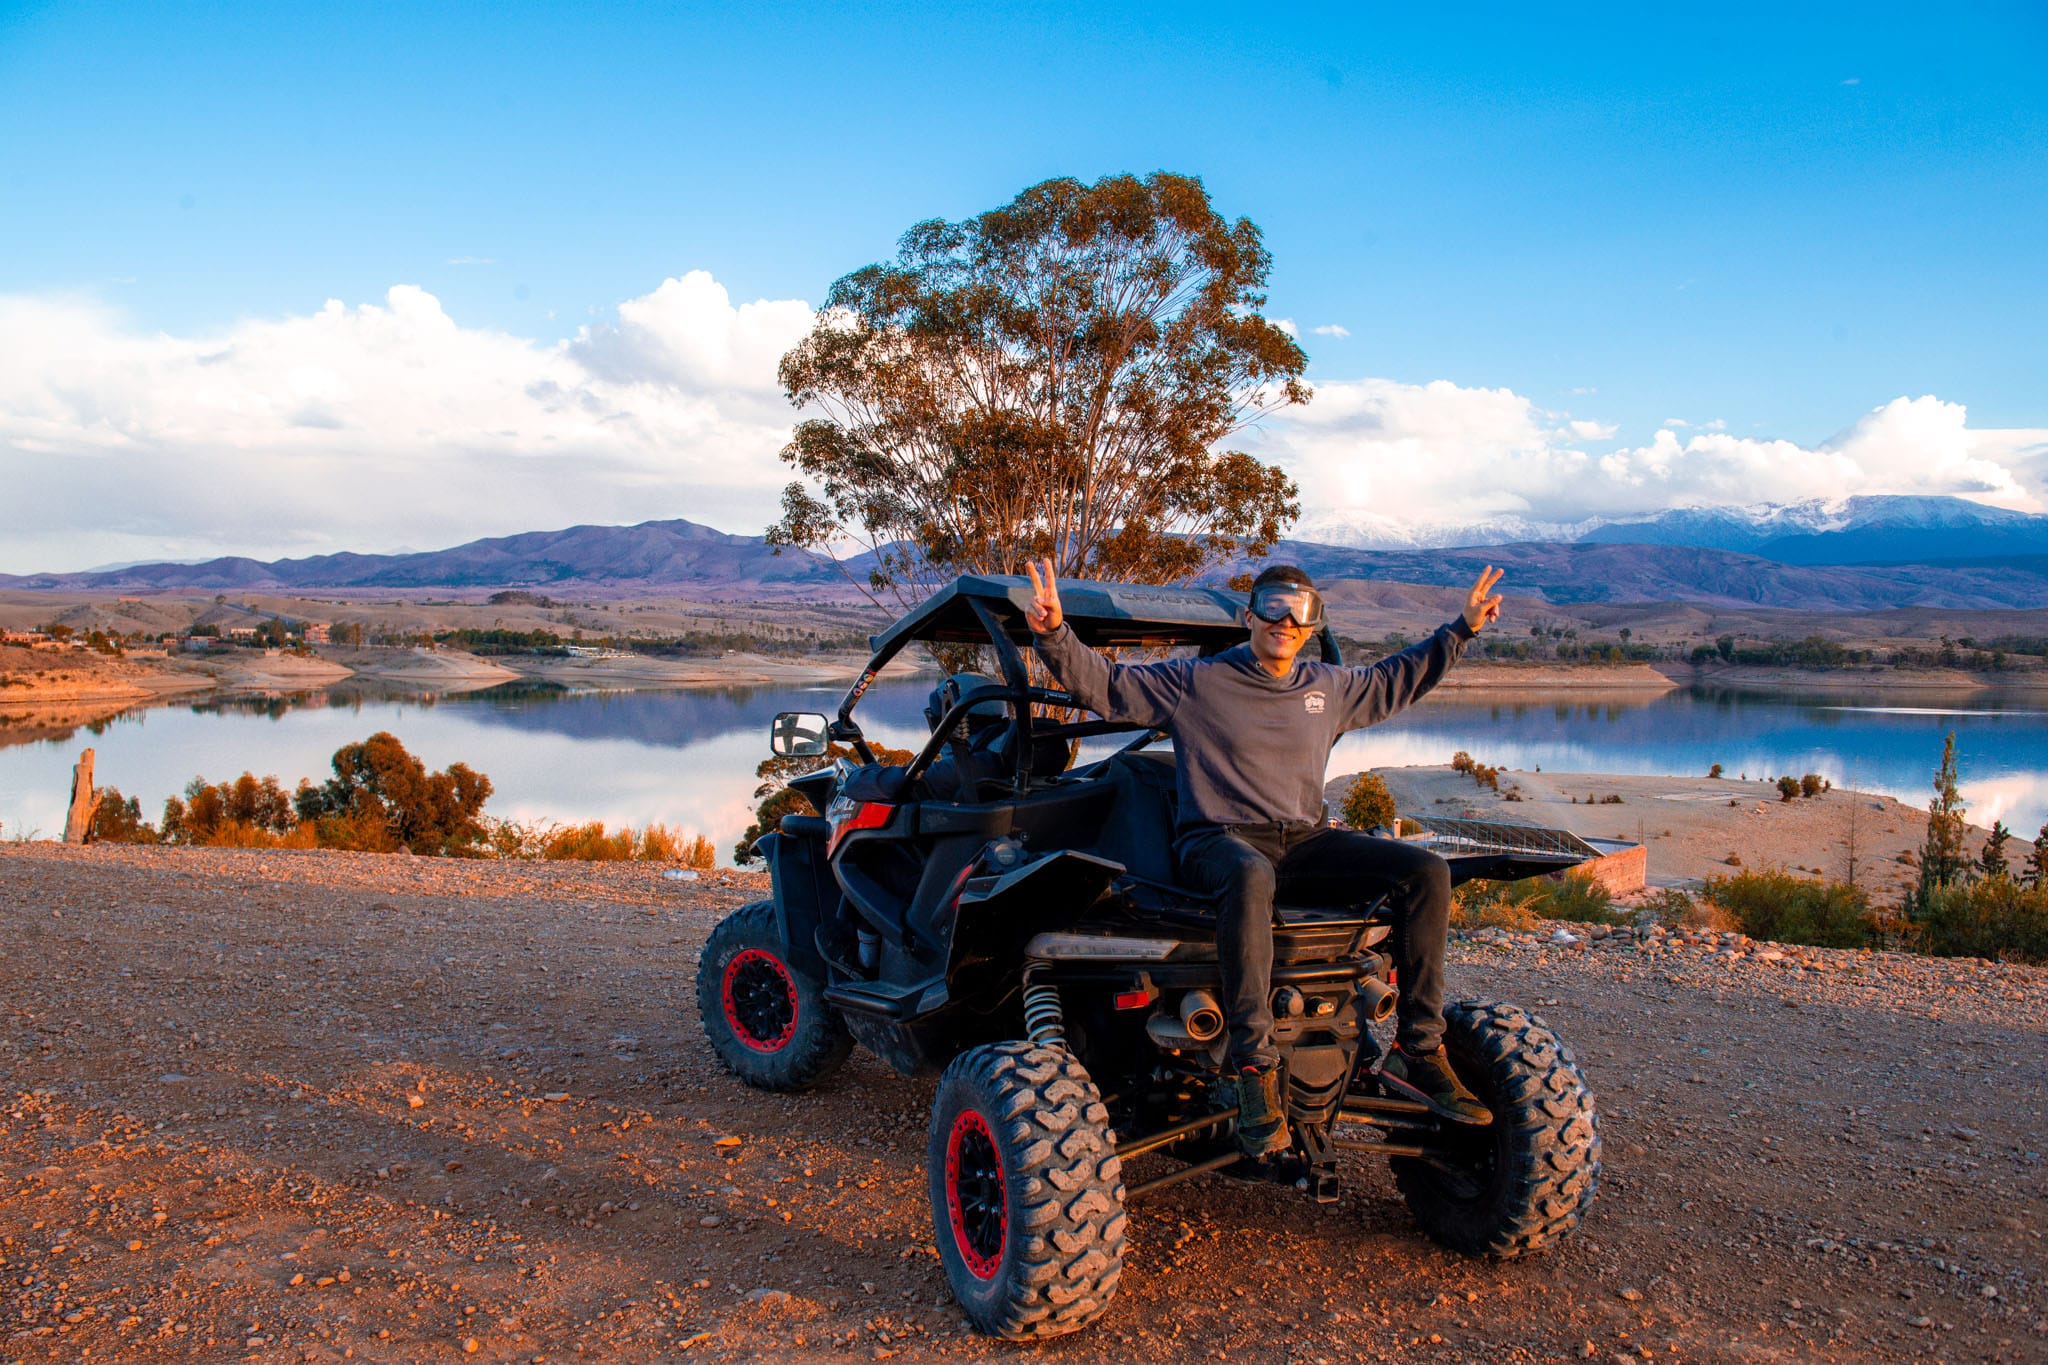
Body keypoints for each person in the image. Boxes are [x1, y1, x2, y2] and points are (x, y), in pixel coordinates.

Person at [1024, 558, 1504, 1155]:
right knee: (1250, 875)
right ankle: (1254, 1069)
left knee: (1427, 871)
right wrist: (1053, 634)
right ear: (1250, 617)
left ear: (1310, 625)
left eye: (1297, 609)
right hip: (1217, 841)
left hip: (1301, 842)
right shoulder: (1197, 682)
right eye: (1271, 605)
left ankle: (1420, 1051)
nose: (1283, 618)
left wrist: (1461, 629)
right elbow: (1108, 685)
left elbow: (1397, 677)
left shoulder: (1327, 688)